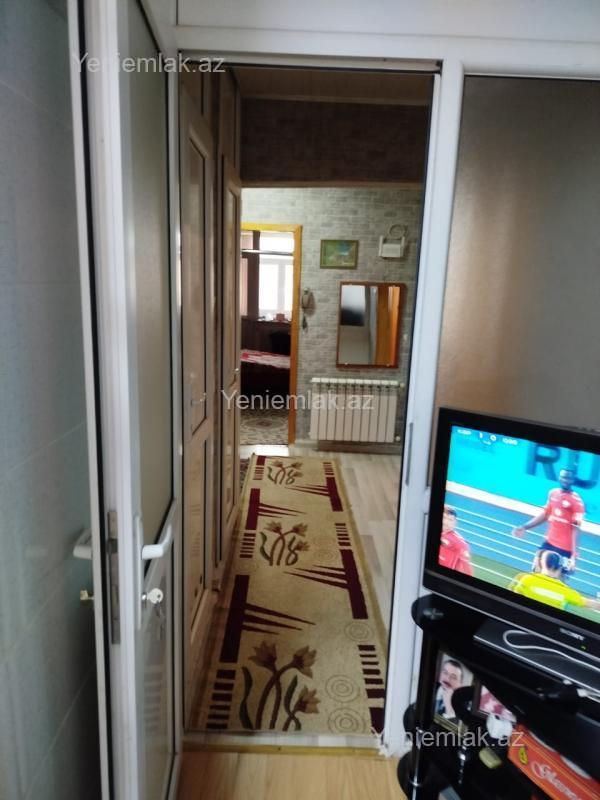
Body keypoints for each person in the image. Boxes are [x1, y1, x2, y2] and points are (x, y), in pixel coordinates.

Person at [512, 468, 584, 577]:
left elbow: (576, 529)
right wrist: (524, 527)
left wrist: (574, 556)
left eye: (568, 478)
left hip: (565, 549)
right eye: (563, 477)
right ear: (559, 478)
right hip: (549, 543)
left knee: (558, 580)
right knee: (536, 572)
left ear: (573, 480)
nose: (565, 480)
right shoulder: (553, 493)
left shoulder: (577, 502)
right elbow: (545, 515)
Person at [509, 550, 600, 612]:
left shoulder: (526, 578)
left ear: (541, 564)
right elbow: (593, 605)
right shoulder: (566, 591)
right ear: (559, 568)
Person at [438, 505, 474, 576]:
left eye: (450, 520)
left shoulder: (460, 543)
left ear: (455, 522)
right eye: (444, 518)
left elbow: (467, 569)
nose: (446, 522)